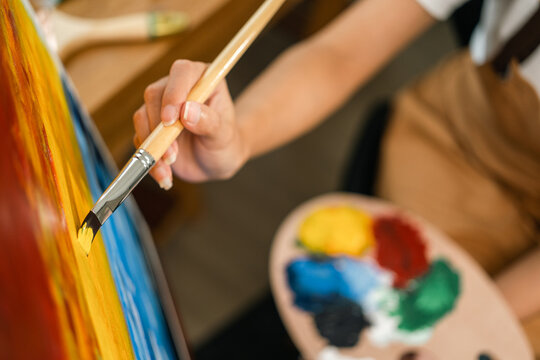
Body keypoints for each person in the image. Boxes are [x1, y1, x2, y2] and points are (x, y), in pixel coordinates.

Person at [133, 0, 540, 354]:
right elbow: (341, 54)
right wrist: (240, 138)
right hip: (441, 143)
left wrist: (457, 328)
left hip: (524, 283)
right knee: (317, 306)